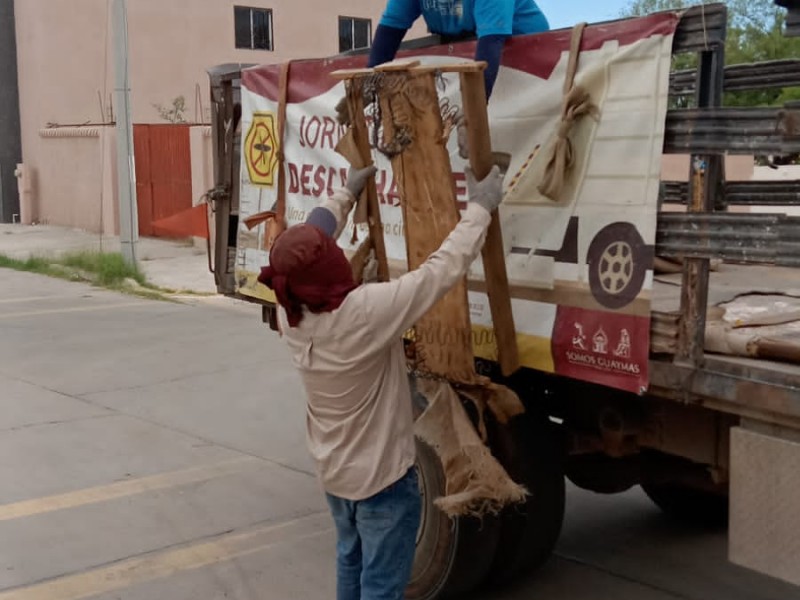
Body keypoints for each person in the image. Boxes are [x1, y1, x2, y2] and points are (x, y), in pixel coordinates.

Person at [257, 162, 506, 600]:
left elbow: (313, 234)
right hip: (382, 484)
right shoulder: (364, 314)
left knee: (350, 563)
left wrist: (346, 194)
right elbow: (440, 271)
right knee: (381, 588)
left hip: (336, 476)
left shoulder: (290, 308)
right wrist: (480, 209)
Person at [368, 0, 550, 99]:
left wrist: (473, 113)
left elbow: (490, 43)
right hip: (469, 46)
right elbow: (388, 35)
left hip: (525, 54)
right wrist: (366, 91)